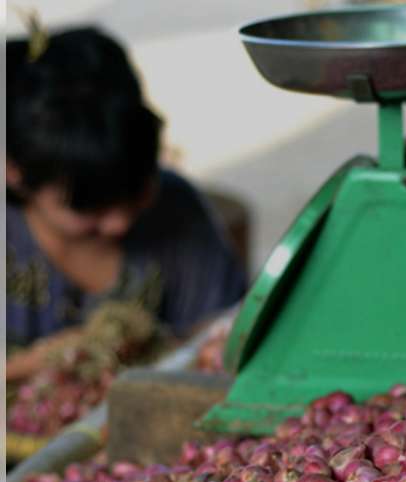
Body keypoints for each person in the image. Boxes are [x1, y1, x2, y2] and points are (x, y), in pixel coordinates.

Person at [7, 24, 248, 380]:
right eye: (88, 207)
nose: (119, 223)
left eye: (137, 193)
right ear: (14, 173)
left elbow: (220, 331)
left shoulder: (178, 213)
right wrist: (25, 367)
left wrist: (203, 344)